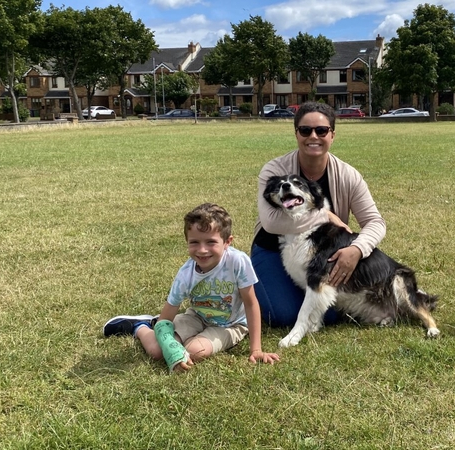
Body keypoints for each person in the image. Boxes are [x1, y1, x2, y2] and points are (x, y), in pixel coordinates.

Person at [251, 101, 387, 328]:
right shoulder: (275, 170)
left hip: (319, 255)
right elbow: (271, 222)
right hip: (273, 250)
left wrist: (356, 249)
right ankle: (248, 281)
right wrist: (327, 216)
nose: (313, 136)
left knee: (330, 315)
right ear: (296, 134)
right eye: (305, 130)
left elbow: (375, 222)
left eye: (321, 130)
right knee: (284, 315)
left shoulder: (348, 176)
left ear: (332, 135)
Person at [103, 203, 280, 371]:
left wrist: (256, 349)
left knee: (195, 351)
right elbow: (166, 319)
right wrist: (169, 345)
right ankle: (141, 327)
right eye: (194, 242)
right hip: (196, 316)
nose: (202, 250)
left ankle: (154, 328)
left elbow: (250, 303)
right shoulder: (185, 274)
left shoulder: (238, 262)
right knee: (157, 351)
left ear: (227, 242)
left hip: (231, 324)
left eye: (211, 242)